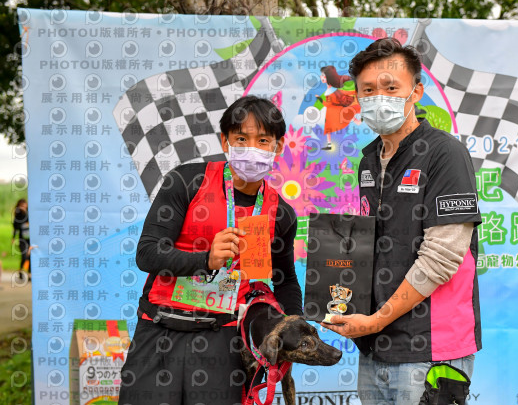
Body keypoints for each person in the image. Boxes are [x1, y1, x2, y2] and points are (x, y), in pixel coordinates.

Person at [322, 37, 482, 404]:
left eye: (390, 87)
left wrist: (377, 319)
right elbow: (372, 247)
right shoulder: (368, 160)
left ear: (416, 92)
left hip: (431, 348)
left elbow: (442, 257)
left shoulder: (444, 153)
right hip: (375, 344)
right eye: (368, 90)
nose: (379, 97)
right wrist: (340, 303)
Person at [119, 95, 303, 405]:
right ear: (225, 141)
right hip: (159, 329)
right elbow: (147, 253)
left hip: (222, 339)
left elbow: (285, 280)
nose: (252, 148)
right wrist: (206, 260)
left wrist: (295, 325)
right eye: (241, 139)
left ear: (279, 145)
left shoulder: (280, 213)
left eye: (263, 140)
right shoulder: (187, 181)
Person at [12, 199, 30, 281]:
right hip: (22, 238)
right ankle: (20, 271)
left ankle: (29, 274)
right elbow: (15, 227)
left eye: (24, 205)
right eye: (21, 205)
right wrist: (13, 238)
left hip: (30, 239)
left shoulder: (30, 213)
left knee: (30, 256)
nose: (23, 207)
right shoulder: (18, 215)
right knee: (24, 256)